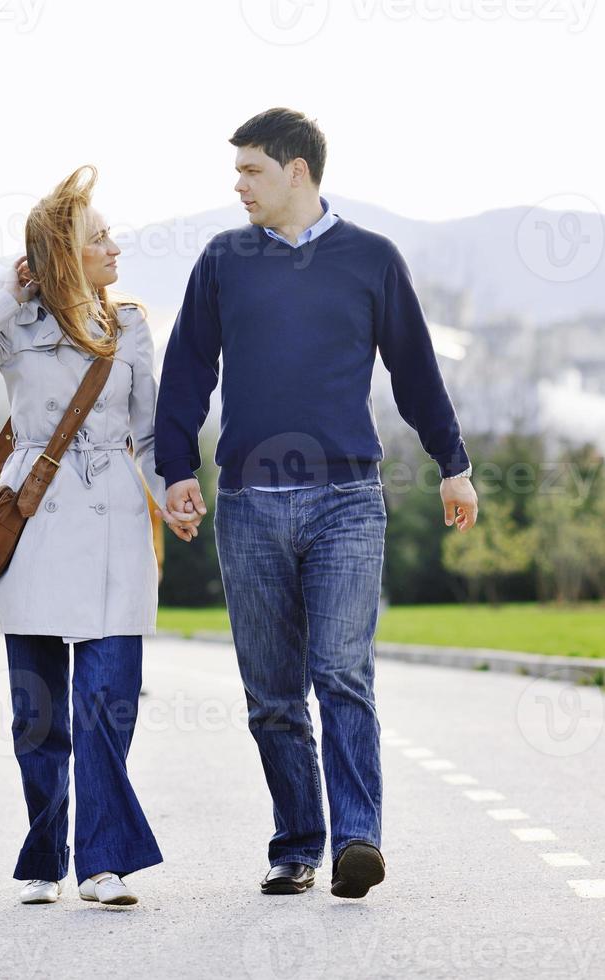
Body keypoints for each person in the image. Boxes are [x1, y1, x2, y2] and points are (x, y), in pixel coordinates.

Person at [154, 108, 479, 900]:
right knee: (270, 693)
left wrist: (452, 463)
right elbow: (187, 368)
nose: (238, 186)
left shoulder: (370, 258)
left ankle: (357, 840)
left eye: (250, 171)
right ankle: (296, 842)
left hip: (346, 501)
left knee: (341, 673)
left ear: (296, 170)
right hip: (248, 504)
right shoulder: (223, 260)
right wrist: (174, 470)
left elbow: (413, 369)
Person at [0, 165, 196, 907]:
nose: (115, 246)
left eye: (110, 234)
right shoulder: (15, 327)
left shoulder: (131, 324)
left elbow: (146, 432)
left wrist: (171, 494)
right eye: (97, 238)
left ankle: (104, 861)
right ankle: (45, 856)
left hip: (113, 512)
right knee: (36, 709)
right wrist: (9, 294)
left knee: (108, 700)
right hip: (33, 521)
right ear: (60, 256)